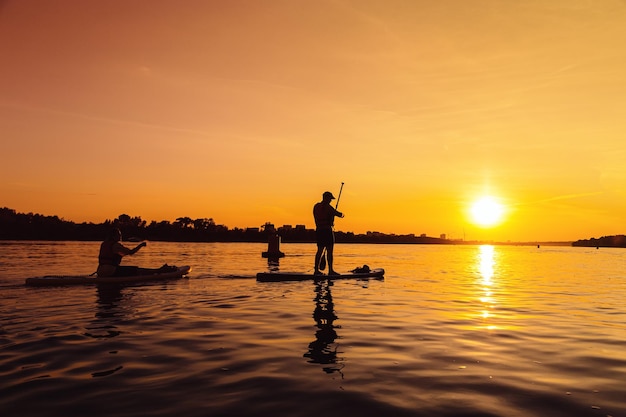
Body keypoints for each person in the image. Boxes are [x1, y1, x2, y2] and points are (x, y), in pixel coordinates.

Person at [97, 227, 173, 277]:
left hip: (100, 271)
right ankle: (160, 271)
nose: (120, 237)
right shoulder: (116, 245)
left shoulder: (104, 243)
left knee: (133, 269)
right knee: (136, 270)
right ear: (113, 236)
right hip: (110, 271)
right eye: (119, 235)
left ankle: (158, 270)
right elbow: (131, 252)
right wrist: (141, 245)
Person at [313, 191, 344, 275]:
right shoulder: (329, 208)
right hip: (327, 231)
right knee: (329, 251)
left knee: (319, 250)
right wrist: (340, 214)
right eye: (330, 199)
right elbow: (340, 214)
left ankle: (316, 270)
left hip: (319, 231)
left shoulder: (316, 206)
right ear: (326, 198)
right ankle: (331, 271)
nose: (330, 200)